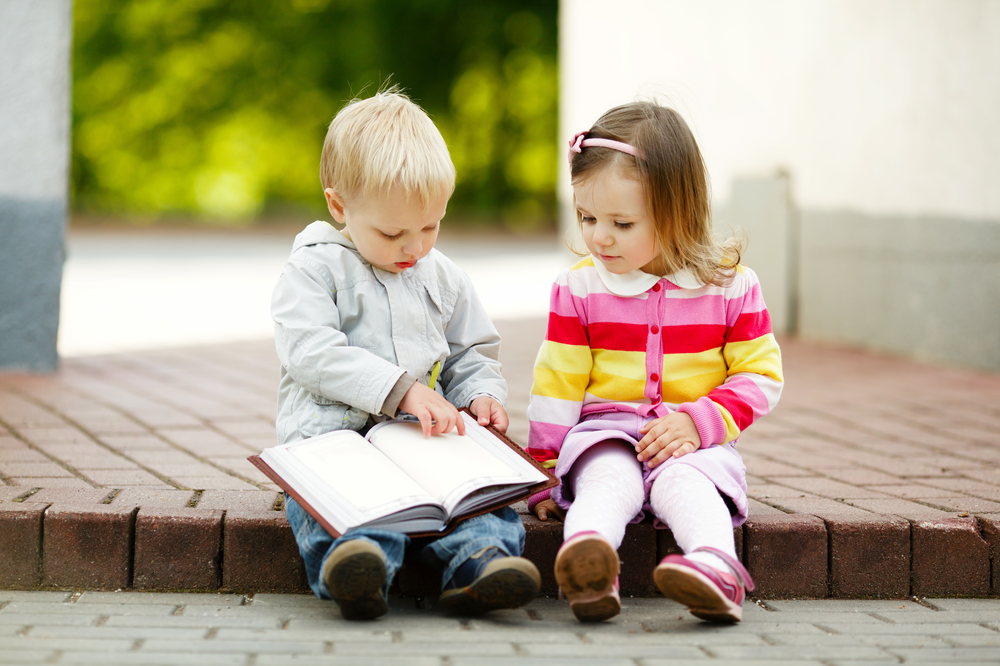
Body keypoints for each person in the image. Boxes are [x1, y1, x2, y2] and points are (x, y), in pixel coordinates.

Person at [271, 88, 540, 620]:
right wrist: (402, 390)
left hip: (422, 442)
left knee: (479, 498)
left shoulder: (442, 276)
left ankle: (482, 562)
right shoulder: (314, 269)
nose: (414, 247)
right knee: (332, 501)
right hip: (333, 439)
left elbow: (471, 351)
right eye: (393, 232)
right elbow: (310, 352)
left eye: (430, 227)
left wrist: (481, 394)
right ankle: (356, 563)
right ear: (339, 205)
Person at [525, 101, 783, 623]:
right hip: (606, 433)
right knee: (604, 482)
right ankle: (591, 569)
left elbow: (761, 374)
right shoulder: (579, 288)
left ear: (677, 211)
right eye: (587, 217)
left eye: (621, 222)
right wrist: (546, 470)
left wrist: (699, 420)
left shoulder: (732, 287)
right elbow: (557, 381)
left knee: (687, 484)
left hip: (692, 441)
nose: (599, 236)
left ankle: (716, 568)